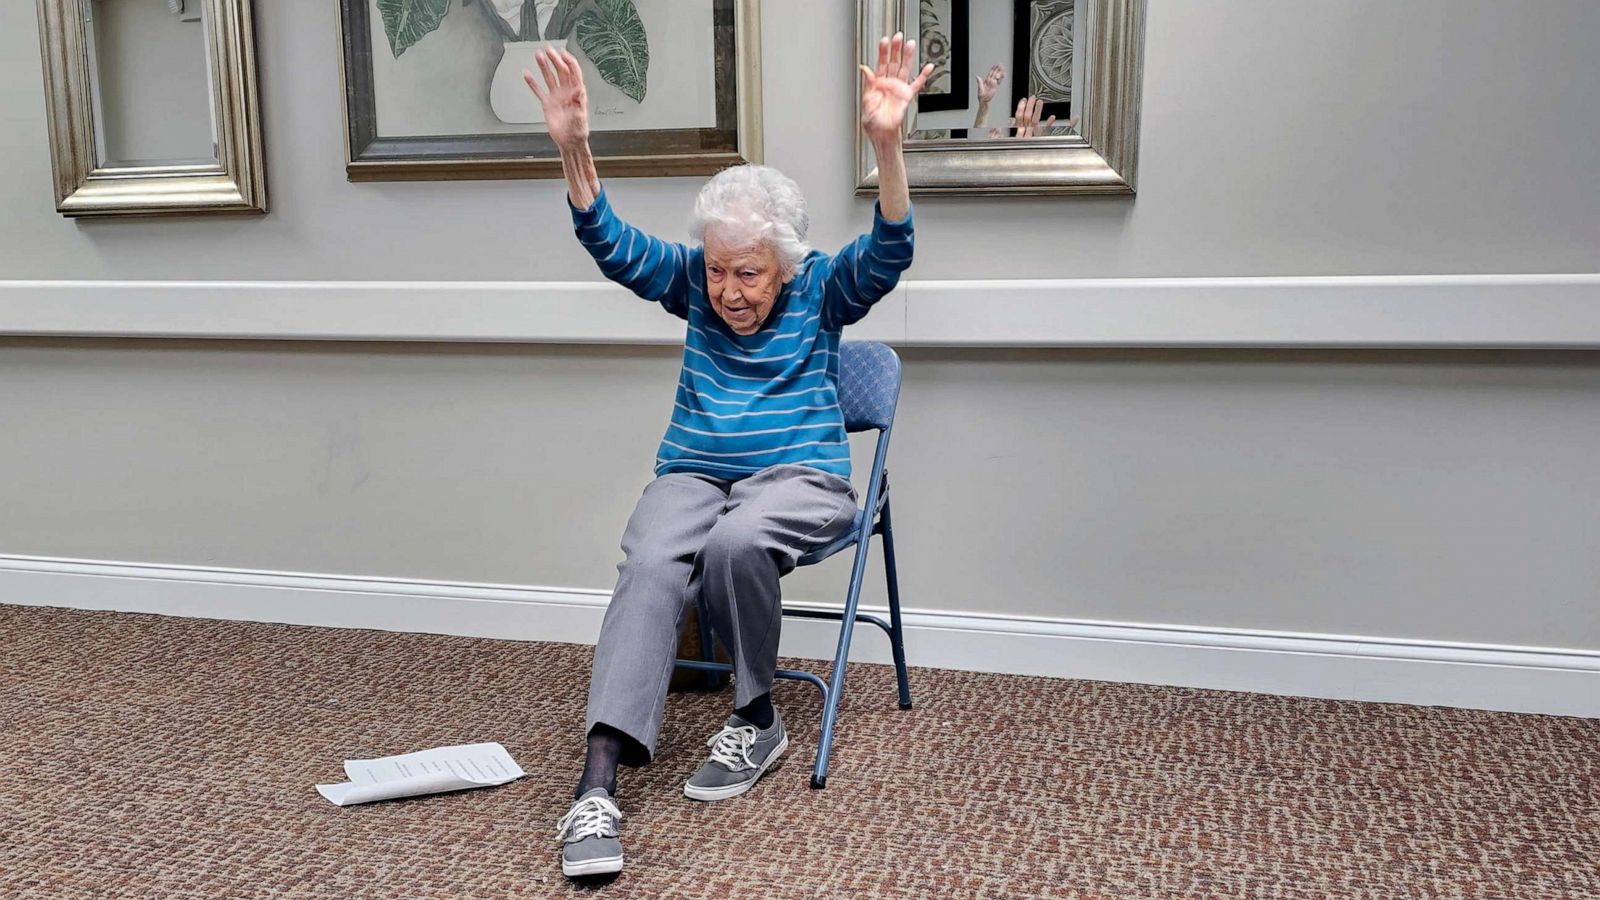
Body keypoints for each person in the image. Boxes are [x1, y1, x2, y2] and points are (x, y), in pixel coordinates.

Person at [522, 33, 932, 880]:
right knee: (650, 560)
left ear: (785, 266)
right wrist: (575, 150)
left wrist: (887, 146)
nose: (728, 292)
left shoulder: (823, 288)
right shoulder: (693, 287)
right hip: (697, 475)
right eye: (716, 271)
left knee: (737, 542)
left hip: (801, 482)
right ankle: (594, 785)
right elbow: (614, 247)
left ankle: (756, 716)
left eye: (747, 273)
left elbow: (889, 251)